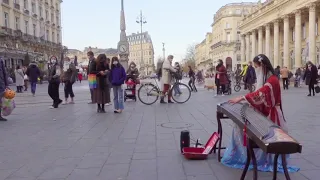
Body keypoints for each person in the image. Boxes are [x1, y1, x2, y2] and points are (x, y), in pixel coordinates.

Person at [222, 54, 299, 173]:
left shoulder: (272, 79)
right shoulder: (268, 78)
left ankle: (262, 159)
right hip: (269, 110)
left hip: (272, 114)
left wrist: (243, 98)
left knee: (260, 134)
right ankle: (254, 157)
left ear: (262, 66)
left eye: (256, 66)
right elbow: (260, 94)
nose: (255, 69)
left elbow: (261, 94)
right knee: (241, 127)